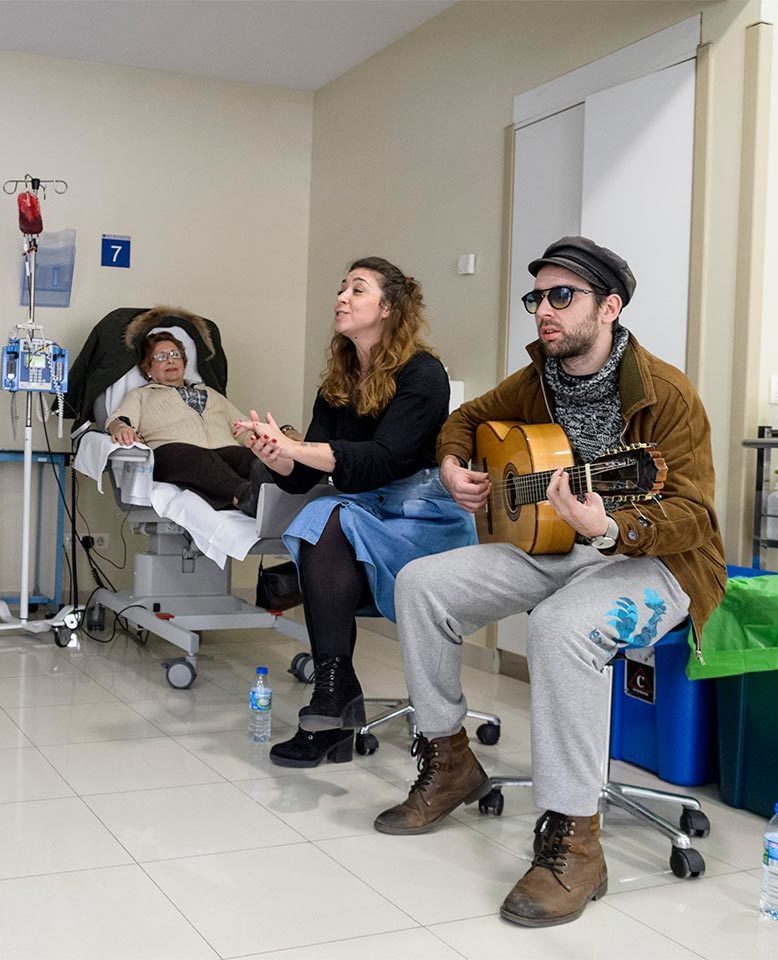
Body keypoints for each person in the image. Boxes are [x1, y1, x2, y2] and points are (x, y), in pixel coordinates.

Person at [380, 236, 726, 928]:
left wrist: (610, 528)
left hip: (656, 560)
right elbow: (464, 420)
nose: (543, 309)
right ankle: (448, 760)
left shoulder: (668, 396)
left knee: (563, 627)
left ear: (610, 307)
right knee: (420, 582)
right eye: (536, 297)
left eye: (561, 296)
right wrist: (454, 467)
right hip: (557, 544)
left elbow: (692, 514)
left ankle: (577, 840)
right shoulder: (538, 376)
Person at [234, 256, 476, 769]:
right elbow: (303, 477)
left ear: (387, 308)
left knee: (329, 518)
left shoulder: (424, 375)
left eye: (357, 290)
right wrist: (272, 453)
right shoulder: (338, 383)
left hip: (423, 517)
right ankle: (331, 696)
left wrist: (298, 449)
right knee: (321, 517)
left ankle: (334, 705)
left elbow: (381, 461)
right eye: (341, 288)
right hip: (365, 512)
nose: (341, 297)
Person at [105, 331, 263, 513]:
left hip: (222, 450)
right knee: (201, 458)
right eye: (161, 357)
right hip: (172, 454)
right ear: (148, 368)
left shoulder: (211, 394)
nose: (170, 360)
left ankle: (280, 495)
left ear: (184, 362)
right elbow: (119, 419)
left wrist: (280, 438)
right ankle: (245, 497)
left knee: (250, 459)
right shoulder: (141, 395)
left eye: (175, 355)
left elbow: (244, 428)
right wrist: (121, 428)